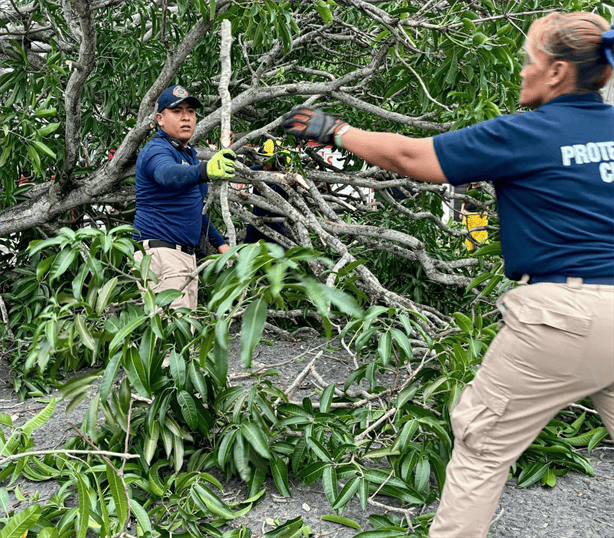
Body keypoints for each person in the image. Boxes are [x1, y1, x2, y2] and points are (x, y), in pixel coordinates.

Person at [282, 11, 614, 538]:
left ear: (555, 72)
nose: (521, 73)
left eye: (529, 62)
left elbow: (413, 157)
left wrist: (337, 130)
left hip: (561, 315)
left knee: (481, 445)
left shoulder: (530, 131)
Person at [133, 84, 236, 310]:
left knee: (185, 336)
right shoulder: (156, 150)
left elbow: (195, 211)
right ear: (160, 118)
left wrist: (221, 246)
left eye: (190, 111)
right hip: (162, 255)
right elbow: (167, 174)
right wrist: (205, 171)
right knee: (170, 338)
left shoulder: (187, 154)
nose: (186, 118)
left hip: (183, 257)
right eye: (177, 111)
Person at [244, 139, 291, 246]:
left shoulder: (287, 179)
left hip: (276, 227)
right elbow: (241, 172)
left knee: (280, 258)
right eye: (262, 158)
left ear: (278, 161)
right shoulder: (257, 171)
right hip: (256, 224)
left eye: (267, 159)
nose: (263, 162)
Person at [460, 181, 489, 250]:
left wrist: (486, 210)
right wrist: (462, 211)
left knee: (481, 237)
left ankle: (483, 256)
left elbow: (487, 200)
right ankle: (469, 255)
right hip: (468, 215)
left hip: (479, 215)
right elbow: (464, 201)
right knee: (468, 237)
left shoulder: (483, 189)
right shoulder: (468, 188)